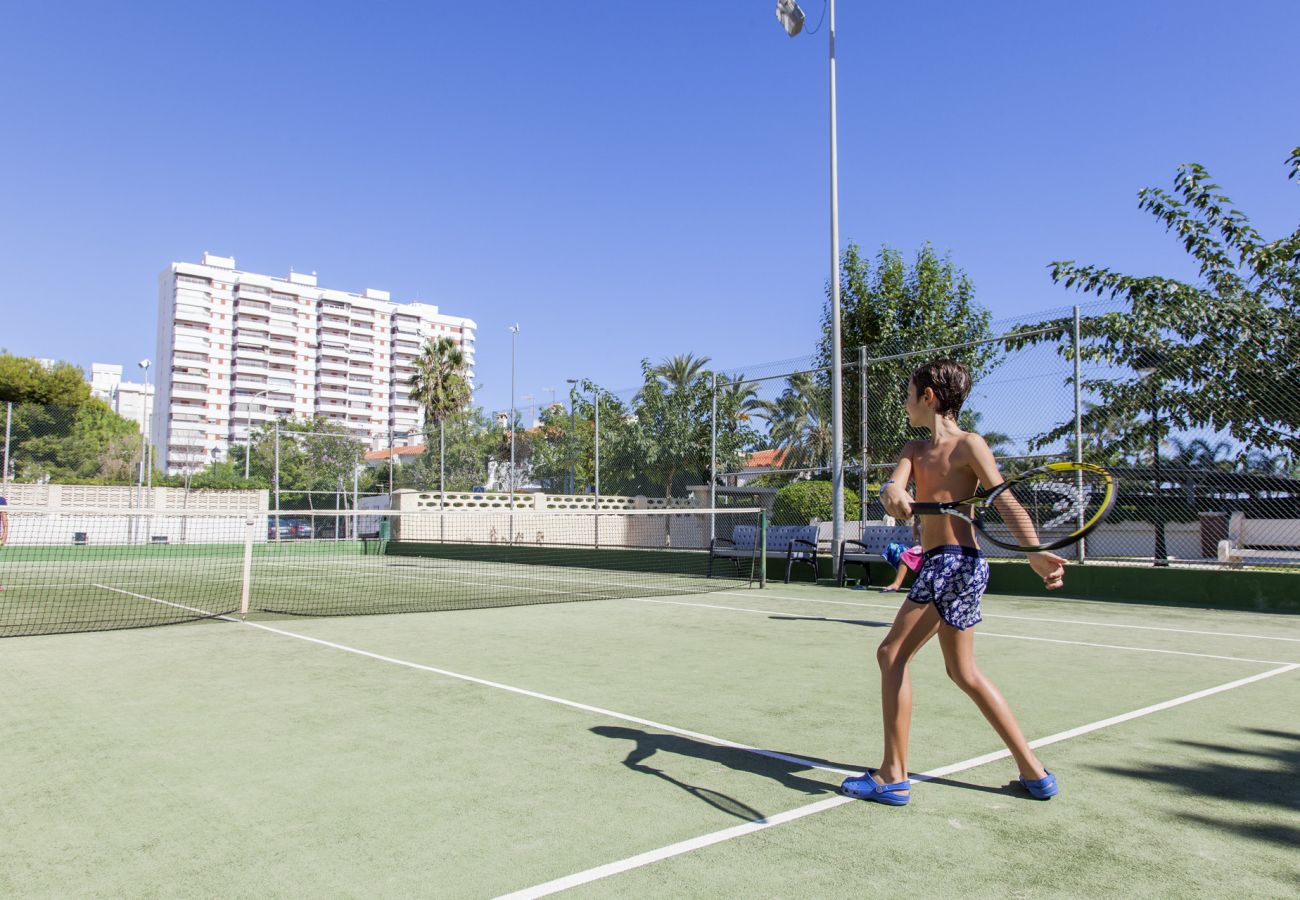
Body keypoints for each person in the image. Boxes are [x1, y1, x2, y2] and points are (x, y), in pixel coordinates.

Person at [841, 359, 1066, 806]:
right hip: (942, 564)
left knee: (890, 654)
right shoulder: (913, 449)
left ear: (928, 397)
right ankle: (1034, 772)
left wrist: (1034, 553)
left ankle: (892, 776)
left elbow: (1005, 502)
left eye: (909, 394)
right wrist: (896, 496)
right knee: (962, 672)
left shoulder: (970, 445)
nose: (905, 403)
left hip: (957, 563)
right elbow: (893, 489)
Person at [880, 519, 923, 593]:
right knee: (900, 551)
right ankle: (896, 585)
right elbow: (916, 539)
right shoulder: (919, 520)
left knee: (906, 554)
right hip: (921, 547)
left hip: (930, 548)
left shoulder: (935, 519)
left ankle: (896, 584)